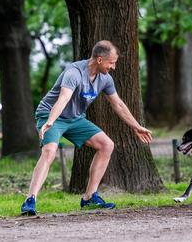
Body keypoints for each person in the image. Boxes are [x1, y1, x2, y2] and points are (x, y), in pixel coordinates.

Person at [21, 40, 152, 215]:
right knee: (50, 151)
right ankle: (30, 200)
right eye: (111, 62)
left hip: (75, 119)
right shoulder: (74, 73)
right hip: (51, 115)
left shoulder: (105, 79)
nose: (113, 67)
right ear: (99, 60)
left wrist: (136, 126)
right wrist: (51, 121)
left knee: (107, 145)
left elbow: (118, 104)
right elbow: (63, 99)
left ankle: (89, 198)